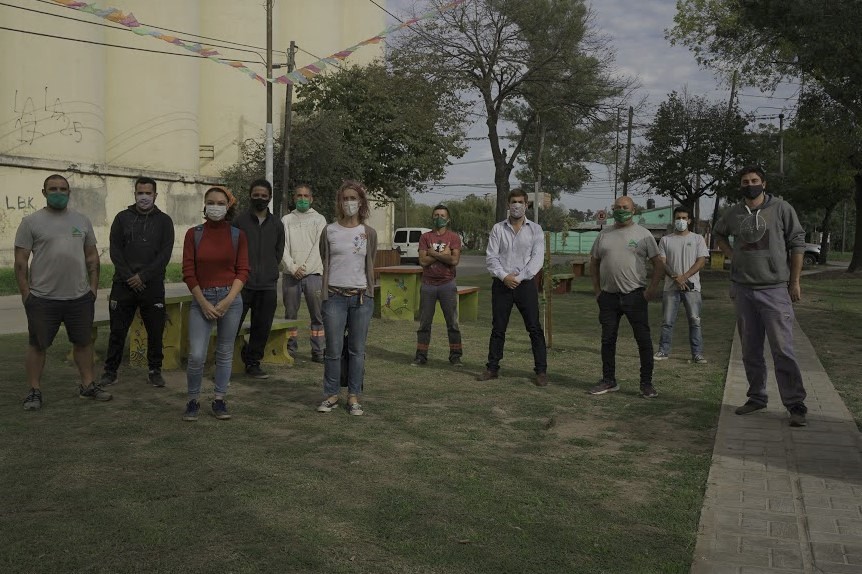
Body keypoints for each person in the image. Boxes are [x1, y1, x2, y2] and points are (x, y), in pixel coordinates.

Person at [714, 165, 808, 427]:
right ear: (740, 185)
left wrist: (794, 282)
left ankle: (795, 404)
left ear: (764, 184)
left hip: (774, 289)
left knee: (783, 349)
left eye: (754, 180)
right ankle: (757, 397)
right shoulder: (733, 212)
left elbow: (797, 243)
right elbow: (719, 233)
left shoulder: (781, 208)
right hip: (743, 289)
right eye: (745, 181)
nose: (750, 185)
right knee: (750, 349)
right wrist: (732, 256)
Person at [15, 174, 111, 410]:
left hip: (79, 298)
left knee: (83, 343)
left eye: (63, 189)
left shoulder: (82, 220)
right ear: (44, 192)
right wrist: (26, 294)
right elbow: (20, 262)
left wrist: (92, 288)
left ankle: (88, 385)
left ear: (69, 192)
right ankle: (34, 391)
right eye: (53, 189)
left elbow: (92, 256)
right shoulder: (31, 222)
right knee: (38, 345)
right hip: (42, 298)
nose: (58, 193)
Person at [181, 187, 249, 421]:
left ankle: (219, 399)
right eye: (211, 202)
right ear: (204, 205)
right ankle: (192, 400)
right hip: (202, 298)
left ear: (228, 206)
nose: (215, 207)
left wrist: (228, 300)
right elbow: (188, 271)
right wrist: (203, 303)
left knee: (225, 352)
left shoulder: (238, 235)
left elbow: (243, 270)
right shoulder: (194, 234)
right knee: (196, 355)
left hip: (231, 298)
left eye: (221, 203)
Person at [100, 177, 174, 388]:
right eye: (140, 193)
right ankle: (110, 371)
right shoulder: (122, 218)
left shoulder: (164, 221)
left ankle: (154, 371)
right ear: (134, 194)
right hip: (123, 285)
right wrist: (129, 277)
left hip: (152, 285)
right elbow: (115, 251)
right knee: (117, 331)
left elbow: (165, 254)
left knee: (155, 331)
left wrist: (143, 277)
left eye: (148, 193)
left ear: (155, 195)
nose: (144, 197)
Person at [588, 195, 664, 398]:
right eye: (617, 207)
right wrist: (597, 291)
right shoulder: (604, 234)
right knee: (607, 340)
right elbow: (593, 262)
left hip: (635, 296)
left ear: (633, 210)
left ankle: (646, 384)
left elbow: (658, 264)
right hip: (608, 297)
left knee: (643, 341)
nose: (621, 210)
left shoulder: (643, 234)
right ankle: (608, 380)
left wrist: (651, 290)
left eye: (625, 207)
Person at [316, 180, 377, 416]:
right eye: (345, 198)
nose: (349, 202)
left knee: (357, 350)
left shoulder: (368, 233)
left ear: (361, 202)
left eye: (353, 198)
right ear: (339, 202)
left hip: (361, 298)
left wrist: (368, 291)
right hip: (334, 297)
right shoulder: (329, 231)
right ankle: (331, 395)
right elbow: (325, 258)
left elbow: (369, 261)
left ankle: (353, 396)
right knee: (333, 349)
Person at [477, 189, 548, 387]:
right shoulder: (498, 229)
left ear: (526, 205)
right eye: (513, 202)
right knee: (498, 328)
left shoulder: (535, 230)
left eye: (520, 202)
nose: (517, 205)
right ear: (508, 205)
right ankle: (492, 368)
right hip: (502, 285)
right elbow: (492, 257)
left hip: (525, 285)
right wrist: (504, 277)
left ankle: (541, 371)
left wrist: (519, 278)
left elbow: (537, 258)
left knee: (534, 328)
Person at [232, 179, 285, 379]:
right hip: (242, 284)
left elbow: (278, 252)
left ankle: (253, 363)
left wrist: (269, 270)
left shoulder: (277, 224)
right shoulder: (239, 222)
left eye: (264, 195)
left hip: (267, 285)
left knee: (262, 327)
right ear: (250, 196)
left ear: (270, 197)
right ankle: (225, 362)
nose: (260, 198)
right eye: (256, 195)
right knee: (232, 325)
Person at [654, 206, 709, 364]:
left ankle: (697, 354)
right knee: (667, 322)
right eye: (678, 218)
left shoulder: (697, 239)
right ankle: (663, 351)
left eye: (684, 218)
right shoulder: (666, 240)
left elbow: (701, 261)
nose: (681, 221)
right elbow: (662, 263)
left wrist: (684, 277)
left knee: (695, 321)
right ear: (674, 220)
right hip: (671, 288)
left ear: (689, 220)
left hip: (692, 288)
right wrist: (675, 277)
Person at [412, 205, 463, 367]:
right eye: (436, 215)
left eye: (442, 215)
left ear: (448, 219)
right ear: (432, 218)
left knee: (452, 323)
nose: (439, 218)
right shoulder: (425, 237)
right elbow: (423, 261)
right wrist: (442, 254)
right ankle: (421, 356)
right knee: (424, 323)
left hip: (447, 284)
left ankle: (455, 356)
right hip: (428, 285)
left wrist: (432, 253)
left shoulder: (454, 237)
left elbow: (454, 260)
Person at [281, 183, 327, 363]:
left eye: (305, 196)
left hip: (313, 275)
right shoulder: (286, 220)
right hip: (290, 276)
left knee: (317, 315)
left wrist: (305, 268)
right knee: (290, 315)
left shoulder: (319, 220)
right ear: (294, 198)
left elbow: (318, 248)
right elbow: (282, 247)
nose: (302, 199)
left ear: (311, 199)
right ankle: (290, 349)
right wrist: (293, 268)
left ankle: (318, 351)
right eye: (298, 196)